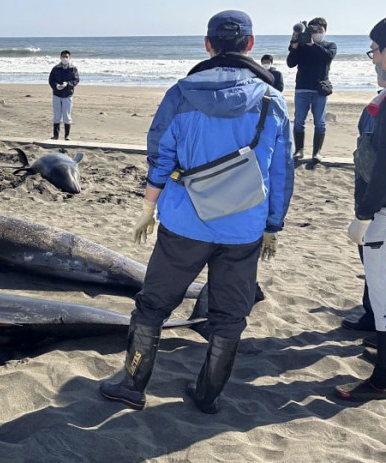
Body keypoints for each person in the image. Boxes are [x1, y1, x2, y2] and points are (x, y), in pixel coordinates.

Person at [99, 10, 294, 413]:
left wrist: (148, 207)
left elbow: (159, 155)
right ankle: (207, 396)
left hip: (185, 221)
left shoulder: (181, 93)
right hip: (244, 226)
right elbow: (281, 169)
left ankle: (132, 385)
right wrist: (272, 224)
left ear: (207, 44)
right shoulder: (273, 100)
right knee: (229, 317)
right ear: (251, 45)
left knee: (153, 305)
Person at [335, 18, 386, 401]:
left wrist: (365, 214)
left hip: (381, 214)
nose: (373, 59)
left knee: (384, 300)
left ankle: (381, 379)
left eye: (375, 50)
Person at [286, 17, 337, 163]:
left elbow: (326, 57)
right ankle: (299, 150)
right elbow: (290, 63)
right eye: (314, 30)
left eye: (320, 31)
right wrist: (295, 46)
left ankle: (316, 152)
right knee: (298, 121)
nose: (316, 33)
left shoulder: (330, 45)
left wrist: (312, 44)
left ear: (325, 31)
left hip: (319, 90)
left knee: (320, 122)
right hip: (302, 88)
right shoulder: (302, 46)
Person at [48, 50, 79, 141]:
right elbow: (51, 80)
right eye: (63, 57)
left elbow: (76, 80)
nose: (64, 58)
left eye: (66, 57)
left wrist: (67, 84)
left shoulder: (73, 68)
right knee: (57, 115)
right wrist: (56, 86)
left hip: (68, 95)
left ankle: (67, 136)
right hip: (57, 95)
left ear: (69, 58)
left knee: (67, 115)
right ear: (60, 57)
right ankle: (55, 135)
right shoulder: (55, 68)